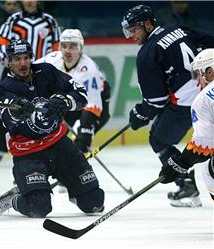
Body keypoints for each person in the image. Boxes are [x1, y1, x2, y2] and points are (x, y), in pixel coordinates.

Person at [0, 39, 105, 218]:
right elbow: (5, 118)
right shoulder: (6, 87)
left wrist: (65, 101)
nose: (23, 63)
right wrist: (18, 110)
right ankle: (14, 199)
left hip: (60, 146)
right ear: (9, 62)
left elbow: (81, 94)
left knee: (95, 203)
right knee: (38, 207)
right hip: (29, 153)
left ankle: (77, 192)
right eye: (17, 59)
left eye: (26, 57)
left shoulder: (46, 72)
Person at [121, 5, 214, 207]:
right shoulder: (178, 28)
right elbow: (210, 42)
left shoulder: (147, 53)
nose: (131, 35)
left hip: (187, 104)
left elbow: (156, 101)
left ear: (147, 24)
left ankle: (186, 185)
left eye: (134, 29)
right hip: (210, 91)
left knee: (158, 139)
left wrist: (139, 114)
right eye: (129, 31)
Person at [0, 0, 61, 163]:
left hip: (39, 73)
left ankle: (49, 144)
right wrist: (6, 60)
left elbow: (57, 48)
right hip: (14, 71)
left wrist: (49, 68)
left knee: (46, 107)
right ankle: (0, 146)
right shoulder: (13, 20)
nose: (29, 1)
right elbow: (1, 42)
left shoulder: (49, 21)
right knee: (6, 108)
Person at [36, 29, 111, 152]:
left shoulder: (89, 70)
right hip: (70, 99)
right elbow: (30, 73)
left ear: (80, 48)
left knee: (81, 141)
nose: (67, 50)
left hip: (96, 101)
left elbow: (93, 104)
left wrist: (85, 131)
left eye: (72, 46)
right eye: (64, 46)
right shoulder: (51, 60)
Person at [159, 48, 214, 204]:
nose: (197, 80)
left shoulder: (203, 99)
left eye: (198, 74)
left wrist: (181, 163)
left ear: (209, 72)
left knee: (209, 171)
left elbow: (204, 143)